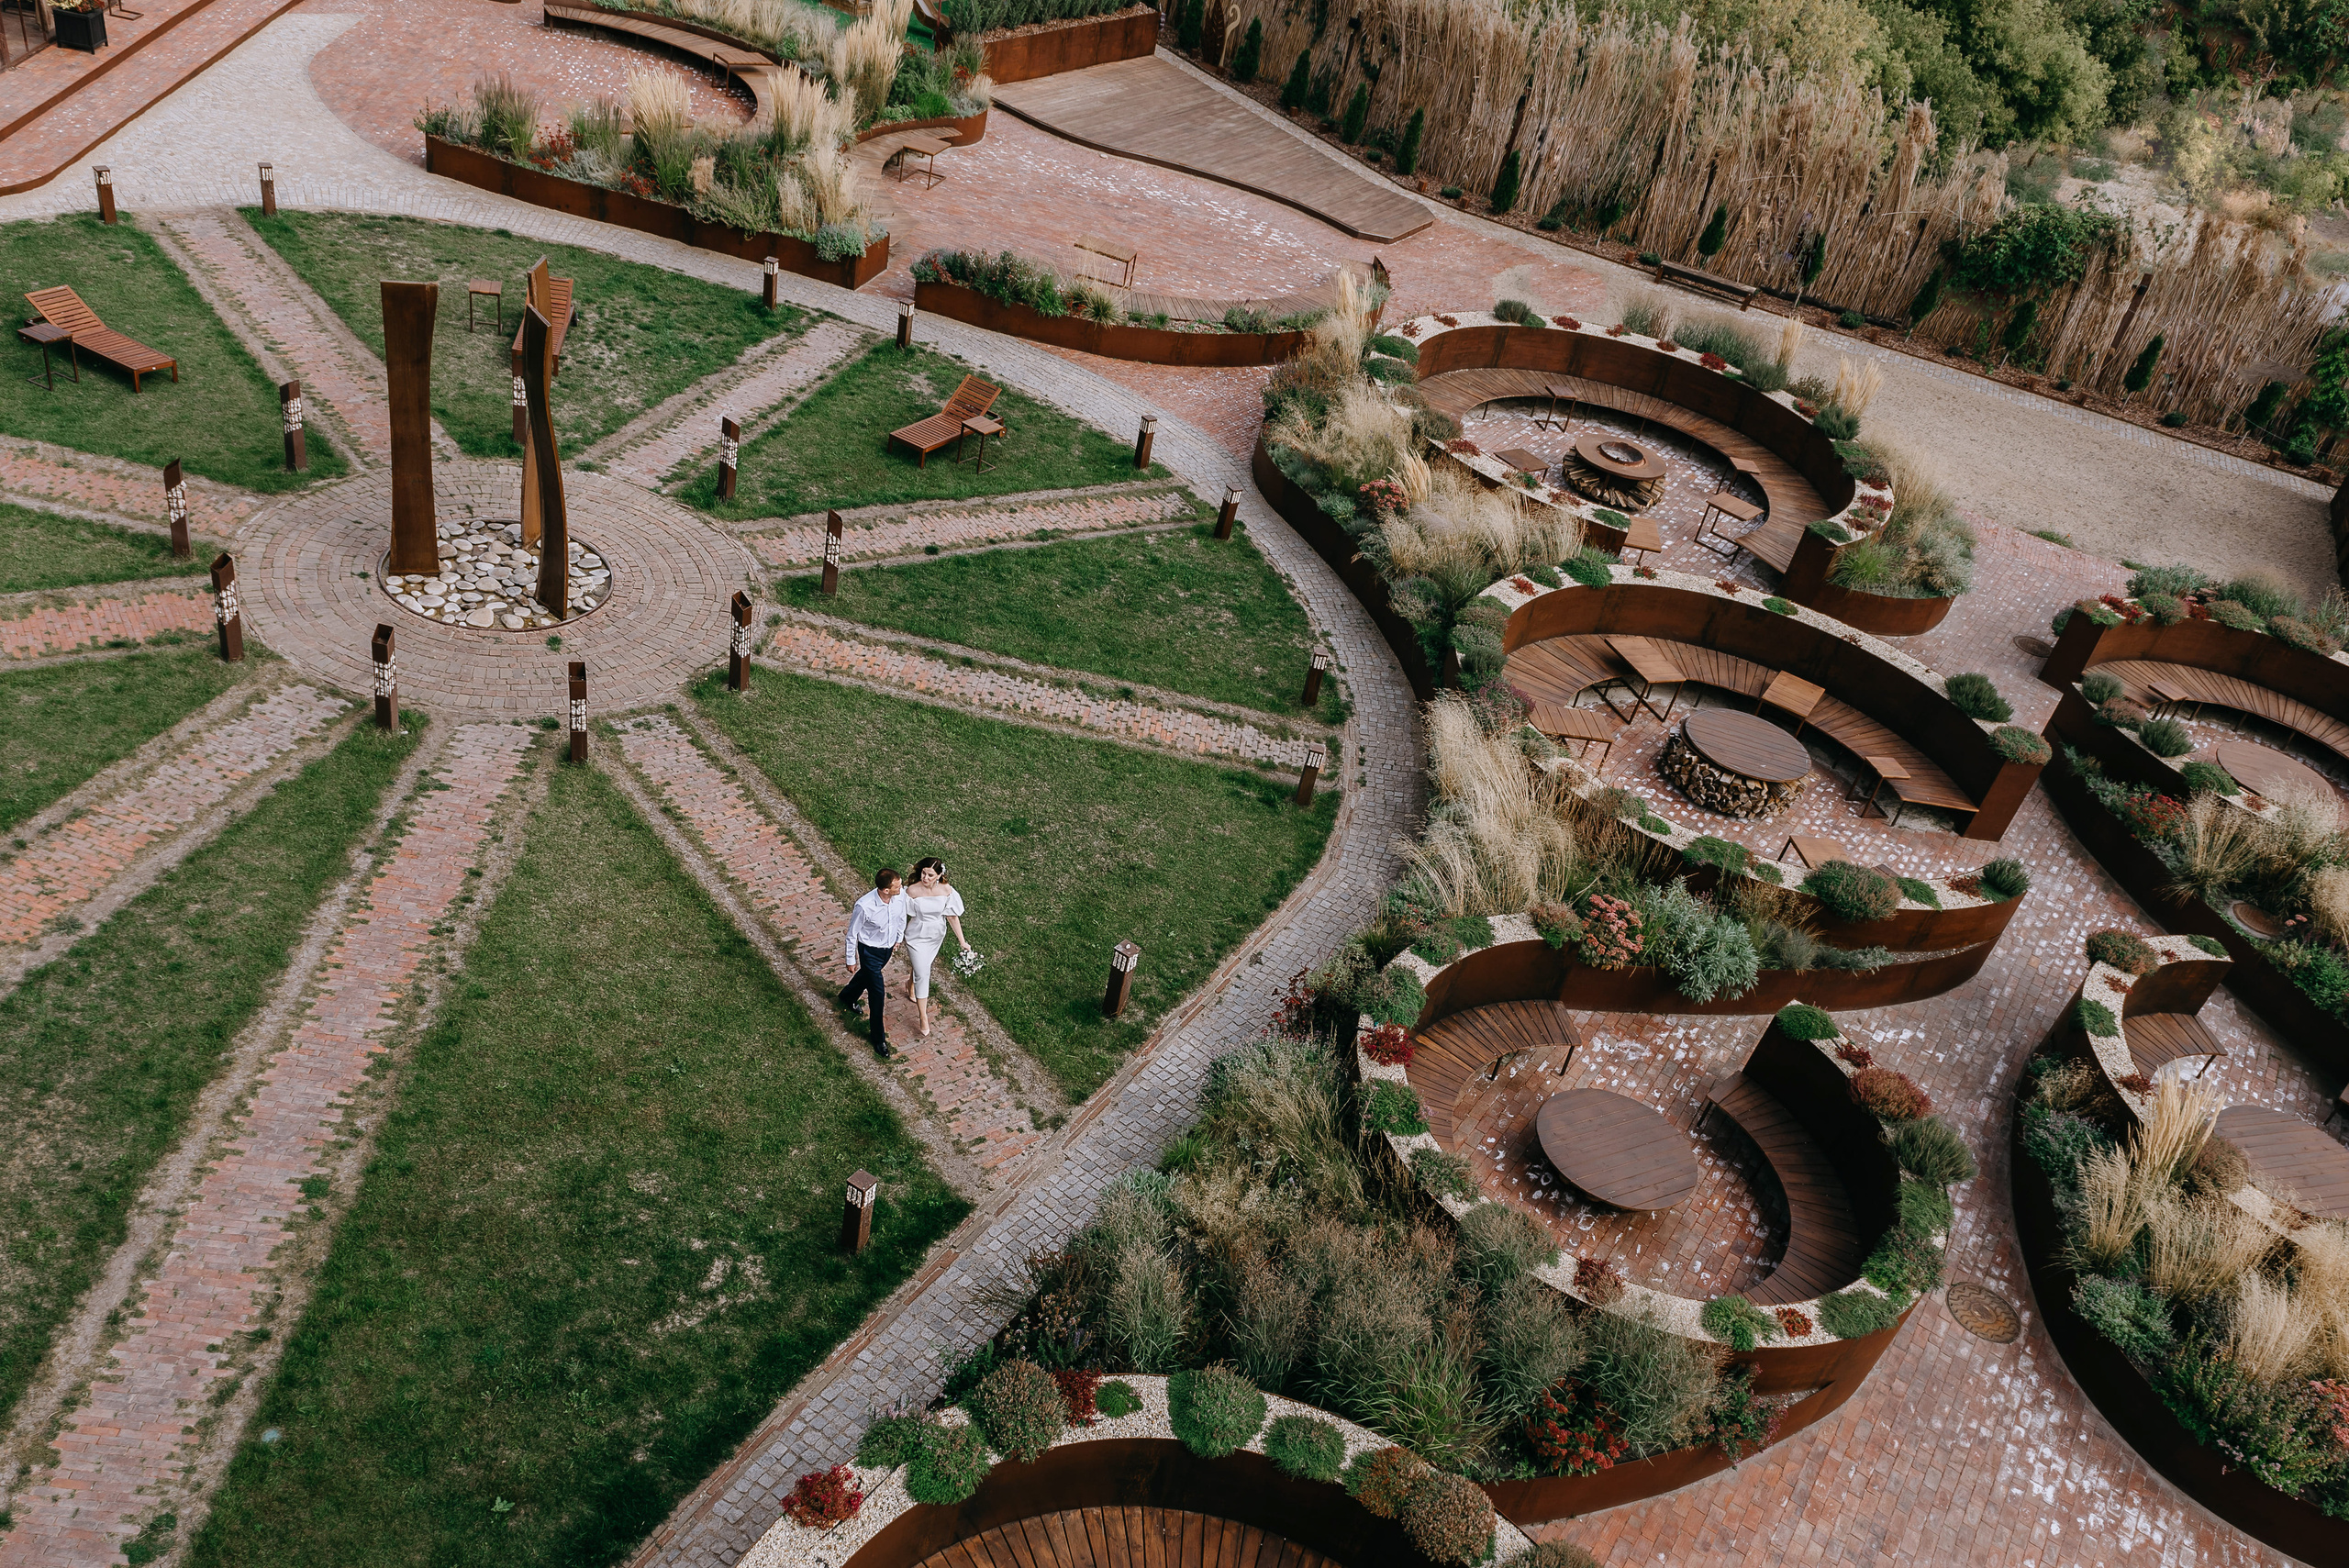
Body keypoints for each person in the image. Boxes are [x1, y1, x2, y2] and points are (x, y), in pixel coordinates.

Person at [899, 856, 973, 1038]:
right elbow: (900, 914)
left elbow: (952, 916)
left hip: (936, 935)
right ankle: (923, 1016)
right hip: (916, 935)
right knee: (924, 973)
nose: (925, 878)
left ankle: (910, 984)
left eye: (930, 875)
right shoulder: (912, 891)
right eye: (923, 873)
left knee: (922, 967)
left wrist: (962, 941)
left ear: (939, 875)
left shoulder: (946, 890)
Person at [839, 867, 907, 1058]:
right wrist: (851, 959)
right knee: (878, 993)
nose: (902, 888)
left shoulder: (899, 897)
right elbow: (852, 934)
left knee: (866, 976)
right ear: (886, 890)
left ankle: (847, 996)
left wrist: (898, 939)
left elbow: (901, 917)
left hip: (887, 950)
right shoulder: (864, 906)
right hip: (869, 951)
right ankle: (879, 1039)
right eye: (898, 886)